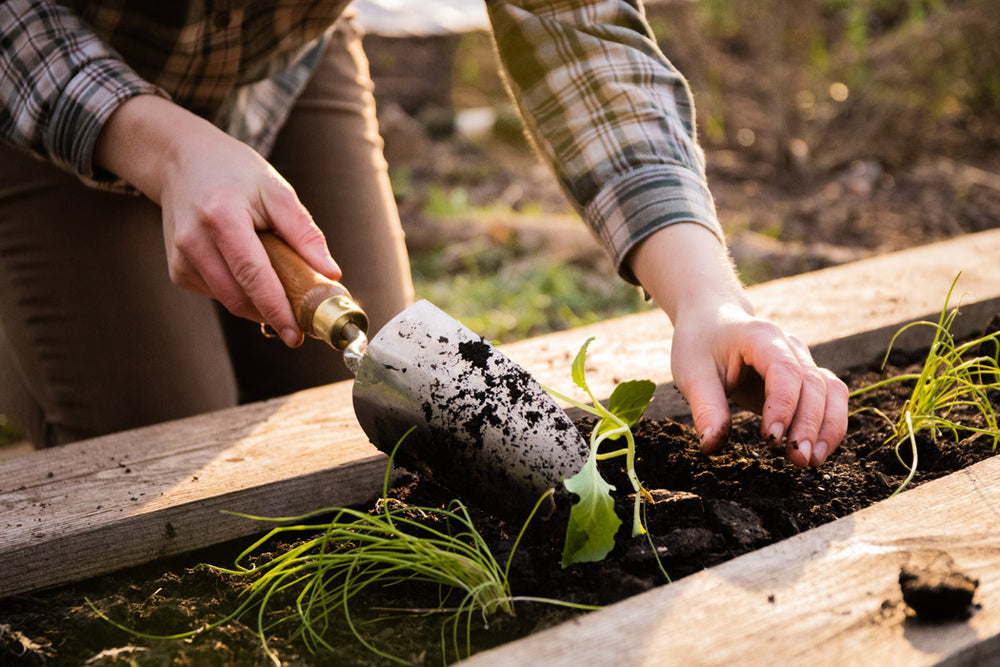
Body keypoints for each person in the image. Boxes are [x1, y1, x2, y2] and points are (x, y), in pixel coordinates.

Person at [0, 0, 847, 467]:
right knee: (163, 454)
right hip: (40, 70)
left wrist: (707, 298)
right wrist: (160, 144)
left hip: (277, 51)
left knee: (376, 418)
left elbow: (574, 21)